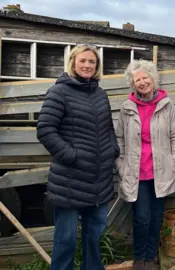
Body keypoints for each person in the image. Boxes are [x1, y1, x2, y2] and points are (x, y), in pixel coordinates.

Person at [36, 44, 118, 270]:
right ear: (73, 63)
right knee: (66, 240)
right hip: (70, 181)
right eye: (82, 61)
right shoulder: (59, 91)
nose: (87, 65)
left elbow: (109, 129)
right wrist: (71, 156)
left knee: (95, 237)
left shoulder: (100, 93)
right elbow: (45, 129)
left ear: (97, 66)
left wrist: (112, 151)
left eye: (92, 62)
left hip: (99, 181)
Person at [115, 59, 175, 270]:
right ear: (133, 84)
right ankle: (139, 258)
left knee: (155, 217)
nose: (142, 82)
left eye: (145, 77)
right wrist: (121, 165)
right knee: (142, 218)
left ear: (153, 78)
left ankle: (151, 258)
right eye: (138, 80)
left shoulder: (166, 105)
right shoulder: (127, 108)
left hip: (162, 171)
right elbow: (119, 139)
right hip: (136, 172)